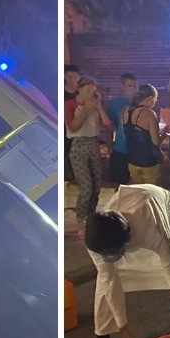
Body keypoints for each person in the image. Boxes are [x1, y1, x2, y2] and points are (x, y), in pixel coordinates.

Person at [84, 184, 170, 338]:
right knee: (104, 280)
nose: (111, 257)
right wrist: (124, 329)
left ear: (127, 241)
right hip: (127, 216)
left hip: (165, 207)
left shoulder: (153, 227)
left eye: (115, 252)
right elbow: (109, 281)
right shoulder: (95, 240)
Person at [66, 76, 110, 238]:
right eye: (88, 90)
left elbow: (107, 124)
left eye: (93, 91)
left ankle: (91, 219)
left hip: (93, 144)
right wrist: (85, 109)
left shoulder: (94, 106)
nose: (91, 93)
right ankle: (80, 221)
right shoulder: (70, 105)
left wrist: (99, 108)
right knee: (86, 187)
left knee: (96, 186)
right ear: (79, 90)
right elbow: (73, 126)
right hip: (78, 145)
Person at [123, 84, 164, 185]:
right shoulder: (149, 114)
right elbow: (156, 141)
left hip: (132, 161)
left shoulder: (126, 111)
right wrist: (163, 136)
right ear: (150, 98)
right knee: (150, 191)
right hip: (149, 162)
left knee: (138, 190)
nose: (154, 103)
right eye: (155, 100)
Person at [106, 72, 137, 185]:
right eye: (129, 86)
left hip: (137, 150)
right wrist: (110, 147)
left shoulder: (140, 102)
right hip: (121, 149)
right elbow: (110, 127)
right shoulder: (115, 104)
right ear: (122, 86)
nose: (133, 89)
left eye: (135, 86)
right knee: (119, 184)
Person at [63, 64, 80, 182]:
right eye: (70, 77)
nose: (73, 80)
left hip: (80, 130)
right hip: (66, 130)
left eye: (75, 77)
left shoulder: (81, 93)